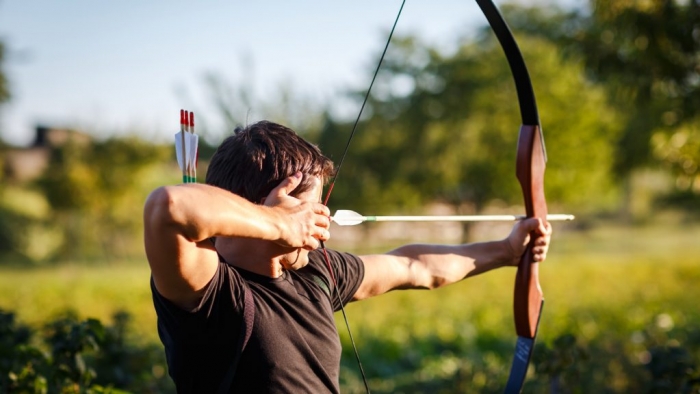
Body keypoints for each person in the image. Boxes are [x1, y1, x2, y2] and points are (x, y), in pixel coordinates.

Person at [143, 120, 551, 393]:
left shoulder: (313, 270)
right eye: (310, 207)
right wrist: (281, 225)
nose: (320, 219)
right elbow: (168, 207)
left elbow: (415, 266)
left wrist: (507, 250)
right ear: (268, 205)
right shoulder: (209, 291)